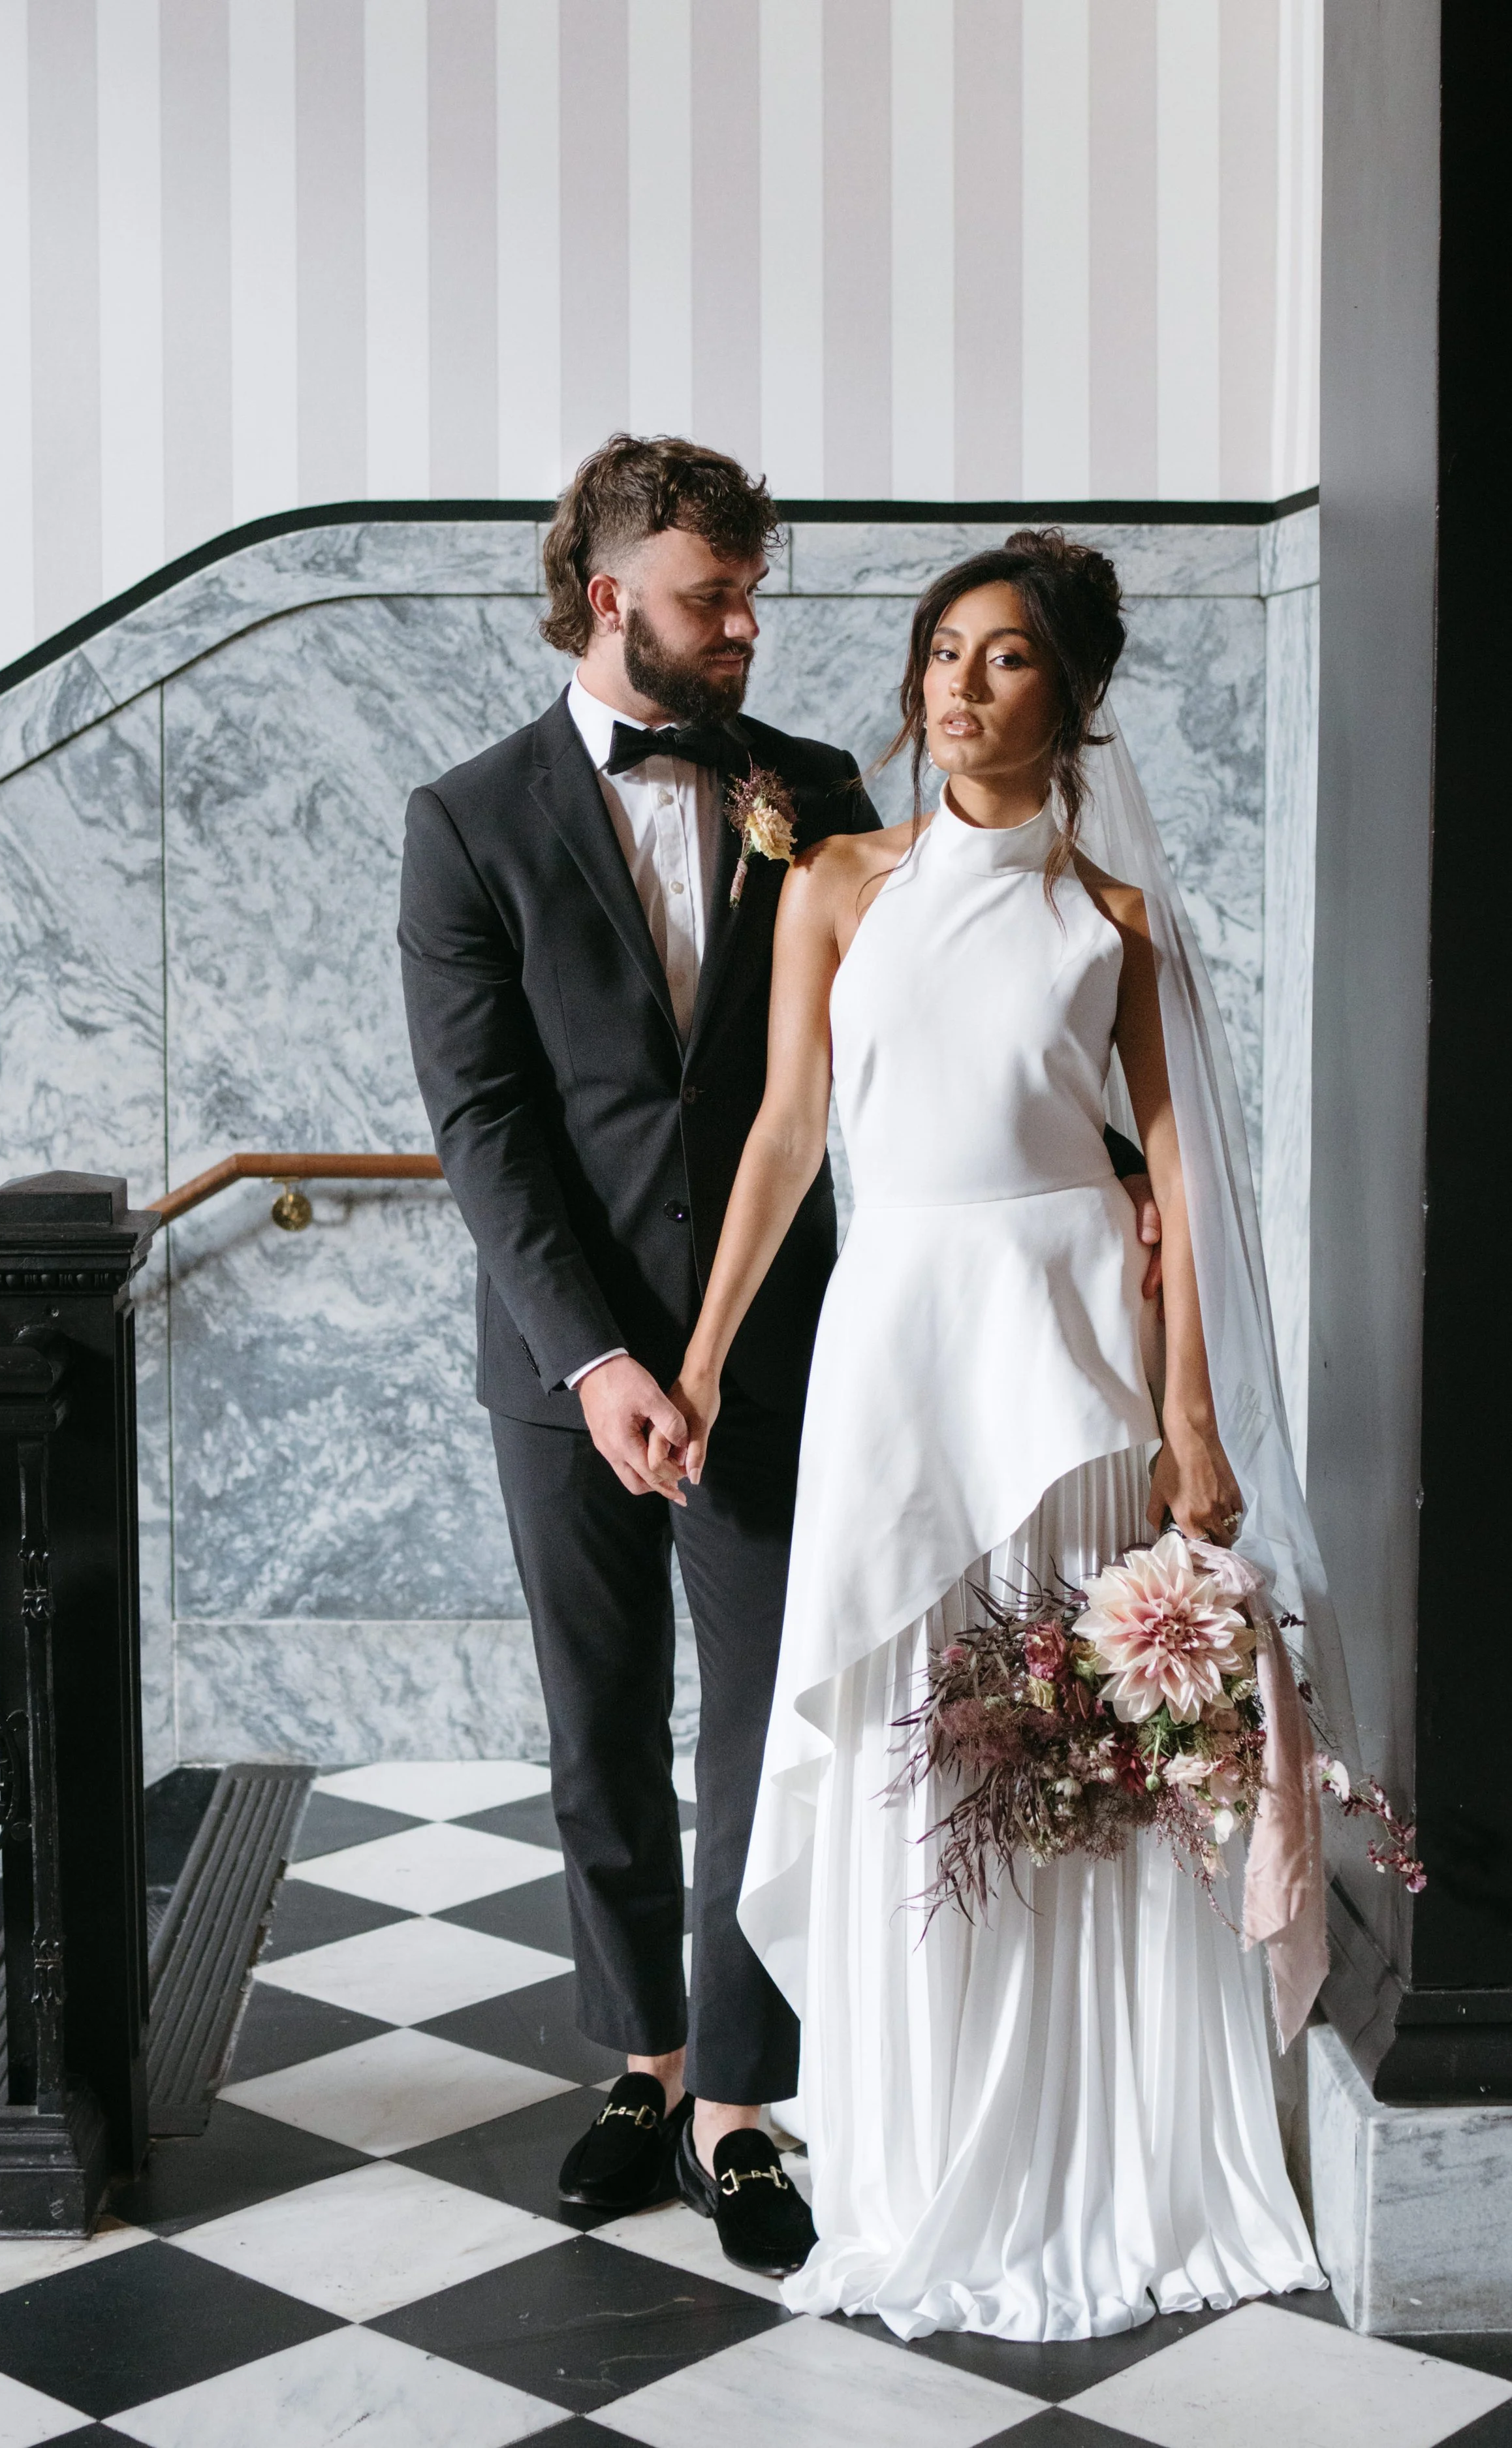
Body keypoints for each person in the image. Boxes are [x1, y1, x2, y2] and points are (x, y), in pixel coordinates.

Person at [398, 437, 1163, 2278]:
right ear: (608, 599)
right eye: (709, 598)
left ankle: (743, 2095)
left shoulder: (812, 796)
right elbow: (484, 1122)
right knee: (597, 1725)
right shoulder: (465, 819)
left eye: (754, 592)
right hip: (563, 1364)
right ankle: (639, 2059)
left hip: (799, 1351)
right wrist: (595, 1357)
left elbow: (941, 1031)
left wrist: (1127, 1175)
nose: (747, 625)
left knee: (765, 1715)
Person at [660, 529, 1331, 2337]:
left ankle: (1084, 2143)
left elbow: (1180, 1178)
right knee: (909, 1750)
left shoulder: (1109, 922)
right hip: (896, 1345)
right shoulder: (836, 885)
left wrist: (1190, 1416)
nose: (960, 682)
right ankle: (912, 2133)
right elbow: (790, 1135)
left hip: (1062, 1358)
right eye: (942, 649)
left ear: (1074, 695)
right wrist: (708, 1353)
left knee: (1069, 1773)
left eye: (1007, 655)